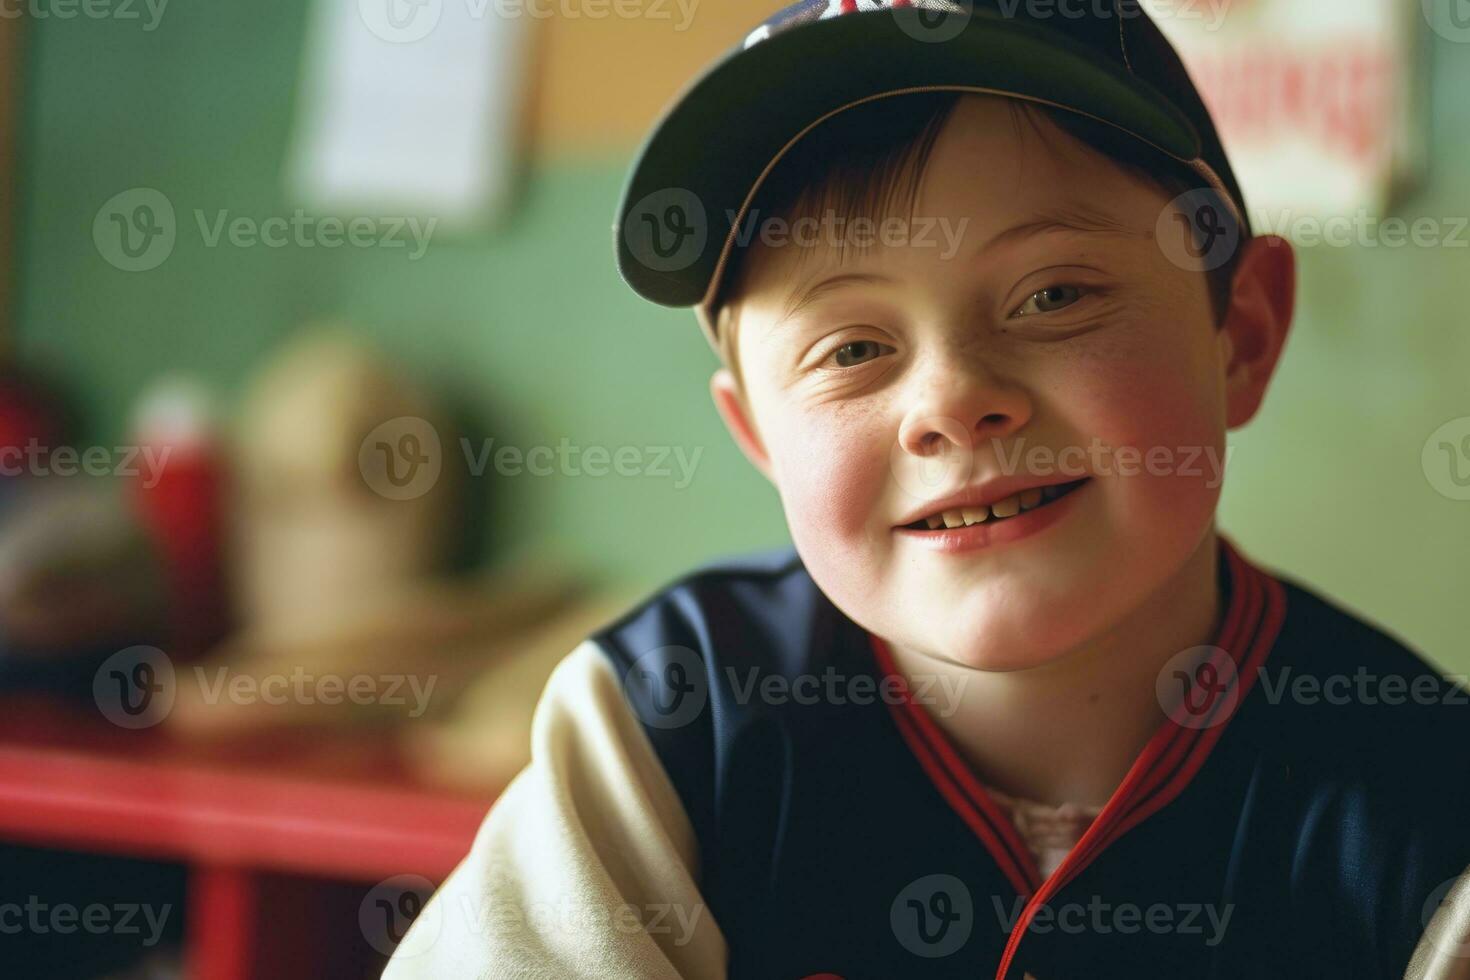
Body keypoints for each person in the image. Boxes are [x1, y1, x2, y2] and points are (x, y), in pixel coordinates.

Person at [383, 2, 1470, 977]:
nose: (952, 400)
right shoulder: (668, 726)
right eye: (852, 346)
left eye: (1055, 293)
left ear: (1240, 333)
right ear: (757, 432)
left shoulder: (1418, 801)